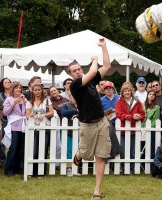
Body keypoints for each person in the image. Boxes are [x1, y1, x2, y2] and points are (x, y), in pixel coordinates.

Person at [68, 38, 111, 199]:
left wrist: (104, 47)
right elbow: (92, 71)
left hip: (101, 122)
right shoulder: (75, 85)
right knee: (86, 155)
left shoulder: (92, 80)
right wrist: (94, 60)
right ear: (71, 75)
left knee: (101, 156)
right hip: (87, 125)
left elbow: (107, 66)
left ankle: (97, 192)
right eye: (74, 71)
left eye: (79, 69)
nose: (78, 71)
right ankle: (79, 155)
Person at [115, 81, 145, 174]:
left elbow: (143, 115)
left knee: (133, 151)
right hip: (123, 130)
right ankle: (123, 168)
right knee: (123, 151)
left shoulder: (137, 102)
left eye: (128, 90)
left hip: (134, 130)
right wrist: (131, 117)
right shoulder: (119, 102)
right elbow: (119, 114)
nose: (127, 92)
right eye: (125, 91)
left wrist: (138, 117)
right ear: (122, 92)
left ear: (131, 91)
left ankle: (131, 169)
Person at [26, 83, 54, 177]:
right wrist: (30, 115)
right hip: (34, 128)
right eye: (36, 90)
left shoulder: (47, 101)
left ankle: (41, 172)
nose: (37, 91)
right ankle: (32, 171)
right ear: (32, 91)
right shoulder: (29, 102)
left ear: (42, 90)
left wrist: (44, 115)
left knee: (43, 149)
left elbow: (51, 113)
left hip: (45, 126)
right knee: (34, 150)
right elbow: (27, 115)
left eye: (39, 90)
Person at [3, 82, 27, 176]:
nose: (19, 89)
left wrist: (25, 102)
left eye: (20, 88)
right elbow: (5, 113)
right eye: (17, 88)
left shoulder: (24, 99)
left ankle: (18, 167)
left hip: (23, 126)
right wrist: (14, 103)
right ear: (12, 89)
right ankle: (9, 168)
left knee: (21, 148)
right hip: (14, 126)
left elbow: (28, 111)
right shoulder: (9, 99)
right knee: (13, 148)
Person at [61, 93, 79, 177]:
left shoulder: (83, 104)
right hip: (69, 132)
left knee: (78, 151)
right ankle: (69, 168)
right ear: (70, 98)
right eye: (73, 97)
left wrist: (78, 114)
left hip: (80, 132)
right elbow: (64, 113)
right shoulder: (66, 105)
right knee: (68, 150)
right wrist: (76, 111)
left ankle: (76, 168)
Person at [141, 90, 160, 162]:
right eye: (150, 94)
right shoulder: (142, 105)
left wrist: (148, 128)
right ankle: (142, 163)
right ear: (147, 95)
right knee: (141, 147)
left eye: (153, 95)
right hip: (141, 129)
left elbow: (155, 120)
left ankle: (152, 163)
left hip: (151, 130)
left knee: (150, 147)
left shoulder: (156, 107)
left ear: (155, 97)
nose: (151, 95)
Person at [0, 77, 12, 167]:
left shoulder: (14, 94)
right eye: (5, 82)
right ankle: (3, 160)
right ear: (2, 84)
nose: (8, 83)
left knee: (11, 140)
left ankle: (11, 159)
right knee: (2, 140)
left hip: (12, 119)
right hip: (4, 119)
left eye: (9, 82)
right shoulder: (0, 94)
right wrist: (1, 119)